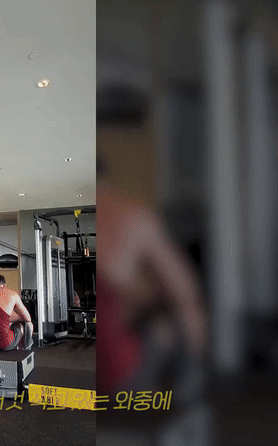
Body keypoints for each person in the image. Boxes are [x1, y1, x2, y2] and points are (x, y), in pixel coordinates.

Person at [95, 156, 208, 401]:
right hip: (114, 374)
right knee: (174, 321)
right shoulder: (132, 216)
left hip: (84, 370)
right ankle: (181, 404)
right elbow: (185, 292)